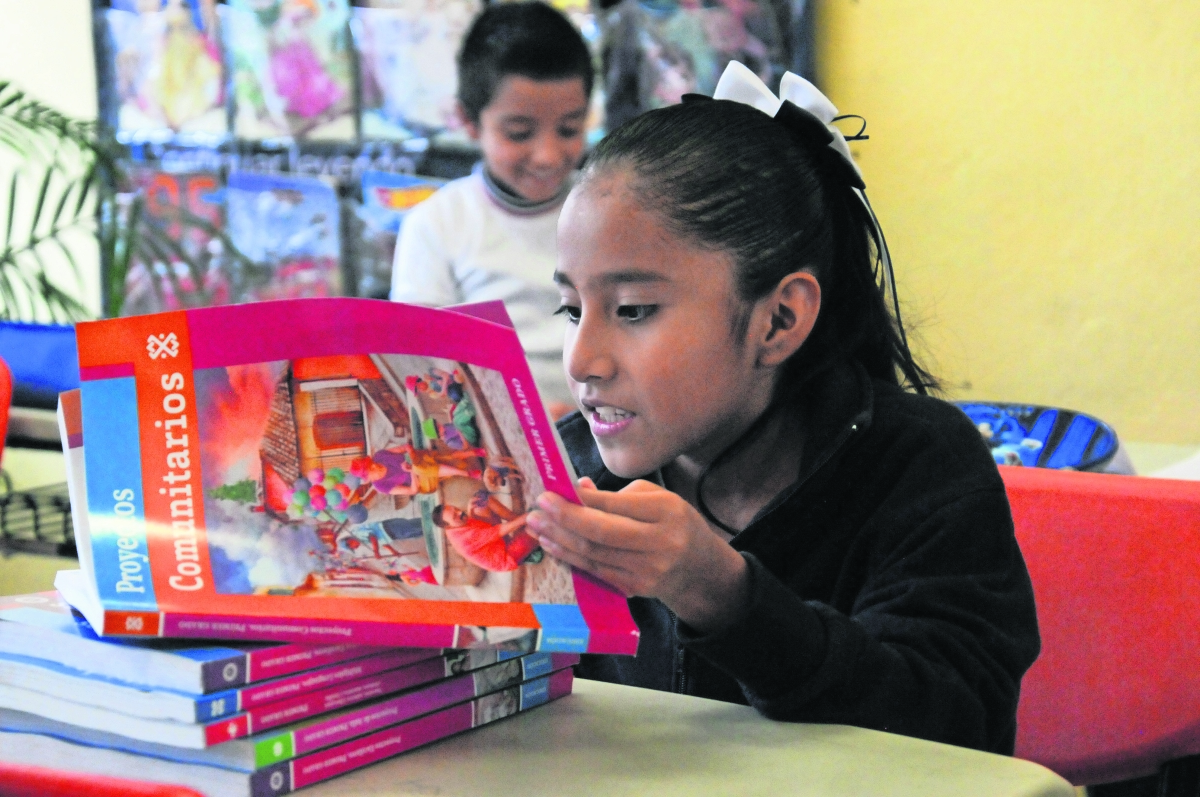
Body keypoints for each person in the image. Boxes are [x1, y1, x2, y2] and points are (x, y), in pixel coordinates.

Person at [525, 62, 1041, 755]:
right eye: (570, 308)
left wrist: (727, 597)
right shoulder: (565, 475)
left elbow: (956, 730)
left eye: (634, 310)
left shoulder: (920, 468)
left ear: (779, 320)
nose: (582, 359)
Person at [391, 1, 593, 418]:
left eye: (570, 129)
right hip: (494, 434)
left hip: (604, 428)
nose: (548, 155)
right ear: (468, 122)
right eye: (519, 133)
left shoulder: (606, 210)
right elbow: (419, 365)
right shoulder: (437, 224)